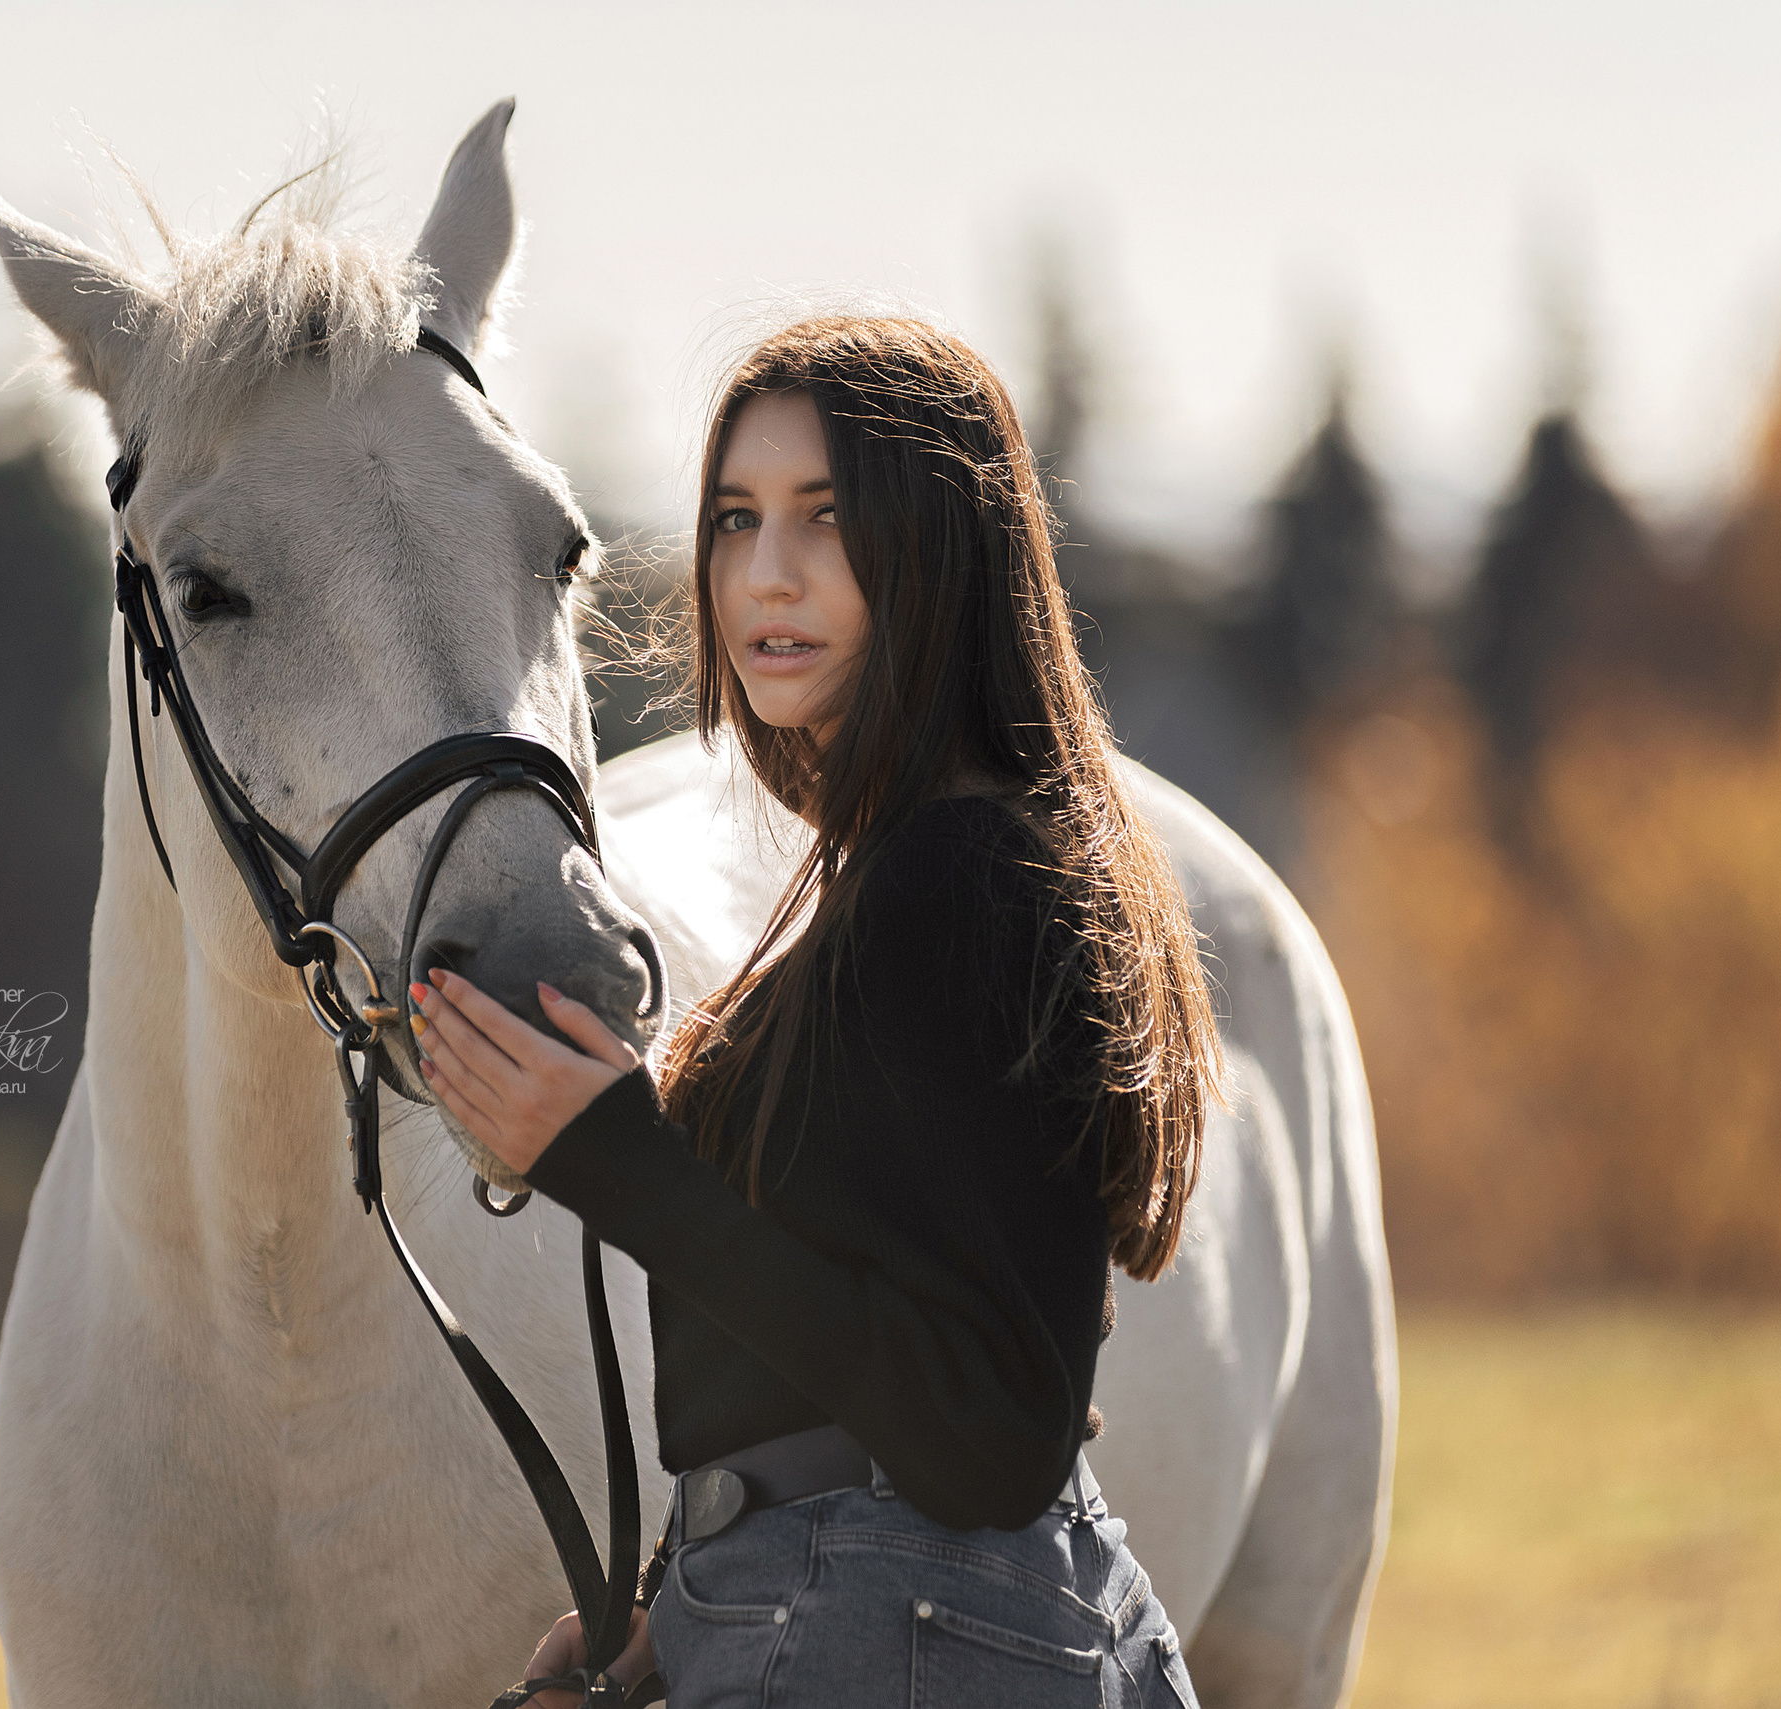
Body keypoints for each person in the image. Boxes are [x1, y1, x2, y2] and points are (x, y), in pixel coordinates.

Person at [411, 315, 1220, 1709]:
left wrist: (610, 1157)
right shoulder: (923, 869)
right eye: (734, 519)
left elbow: (993, 1434)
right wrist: (691, 1594)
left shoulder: (961, 876)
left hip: (901, 1632)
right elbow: (881, 1322)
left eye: (825, 518)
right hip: (869, 1616)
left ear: (941, 550)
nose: (763, 574)